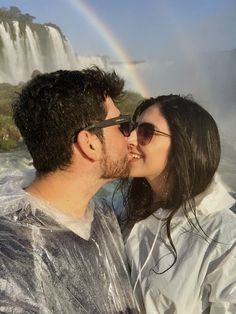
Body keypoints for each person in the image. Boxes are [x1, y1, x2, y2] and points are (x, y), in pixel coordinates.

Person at [0, 67, 137, 313]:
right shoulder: (11, 258)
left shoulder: (103, 215)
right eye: (123, 125)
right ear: (89, 143)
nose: (132, 137)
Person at [119, 95, 236, 313]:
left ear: (183, 145)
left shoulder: (225, 239)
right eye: (131, 128)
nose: (129, 139)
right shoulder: (121, 207)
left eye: (146, 132)